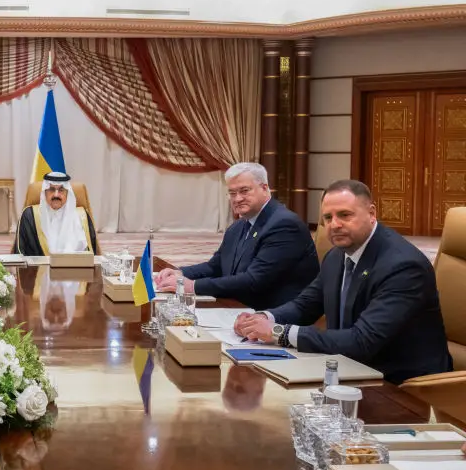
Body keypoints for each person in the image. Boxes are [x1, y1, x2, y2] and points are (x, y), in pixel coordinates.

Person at [235, 179, 451, 384]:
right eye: (327, 218)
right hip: (348, 368)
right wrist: (262, 318)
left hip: (399, 384)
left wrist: (277, 332)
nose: (334, 225)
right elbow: (306, 305)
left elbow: (362, 341)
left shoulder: (403, 266)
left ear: (372, 213)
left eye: (345, 215)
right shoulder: (338, 254)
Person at [156, 162, 318, 310]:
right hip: (240, 306)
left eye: (244, 191)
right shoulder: (239, 225)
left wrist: (193, 286)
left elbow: (254, 280)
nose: (238, 199)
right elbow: (216, 266)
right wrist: (181, 273)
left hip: (275, 315)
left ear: (264, 188)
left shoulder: (284, 225)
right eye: (232, 193)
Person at [13, 172, 98, 256]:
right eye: (51, 189)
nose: (56, 195)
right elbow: (20, 254)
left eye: (61, 190)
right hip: (40, 269)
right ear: (44, 192)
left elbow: (93, 254)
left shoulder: (82, 217)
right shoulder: (30, 216)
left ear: (67, 193)